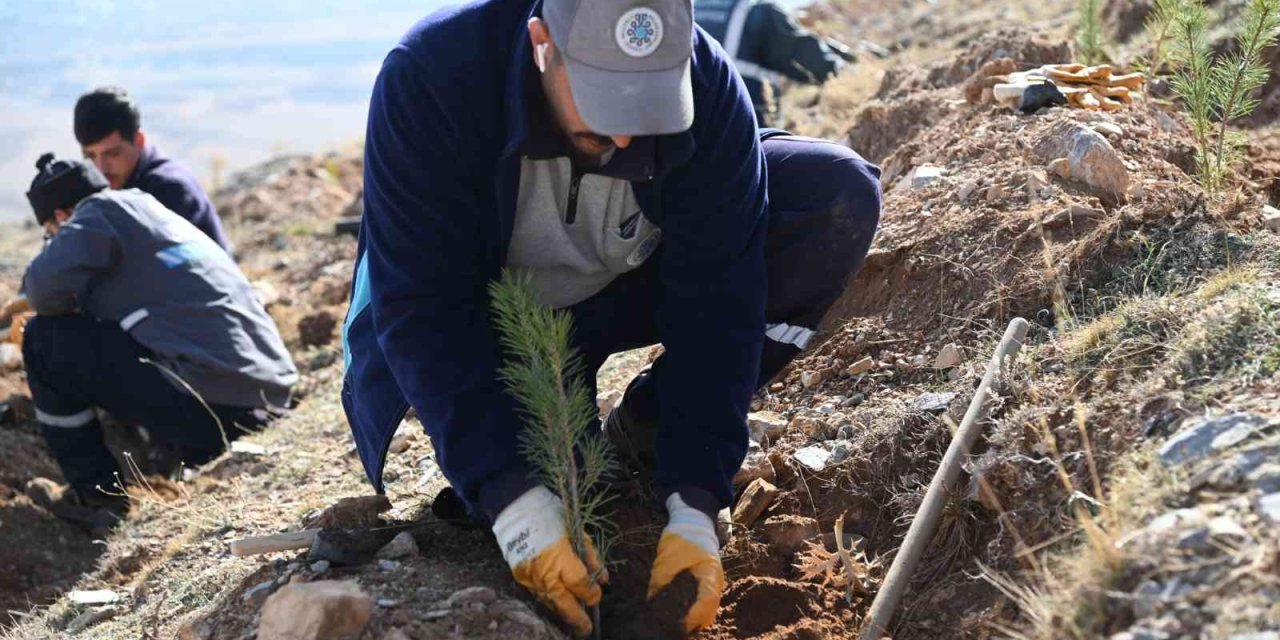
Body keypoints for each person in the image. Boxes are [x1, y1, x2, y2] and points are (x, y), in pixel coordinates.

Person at [341, 0, 881, 635]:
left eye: (647, 103)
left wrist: (696, 505)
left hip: (621, 283)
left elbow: (721, 300)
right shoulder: (434, 77)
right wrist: (510, 500)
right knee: (559, 511)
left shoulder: (708, 84)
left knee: (832, 194)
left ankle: (648, 431)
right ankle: (541, 444)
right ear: (543, 43)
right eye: (604, 100)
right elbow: (424, 310)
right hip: (496, 328)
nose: (625, 136)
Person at [21, 153, 297, 528]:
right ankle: (171, 454)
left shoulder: (95, 215)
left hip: (216, 403)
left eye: (52, 233)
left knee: (44, 340)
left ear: (60, 218)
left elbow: (40, 290)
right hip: (268, 394)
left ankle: (98, 497)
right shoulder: (148, 208)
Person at [74, 87, 232, 251]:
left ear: (139, 141)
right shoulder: (109, 184)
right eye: (90, 156)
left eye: (113, 154)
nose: (101, 168)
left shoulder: (170, 189)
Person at [696, 0, 849, 126]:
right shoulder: (758, 12)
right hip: (741, 134)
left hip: (689, 132)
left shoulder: (693, 11)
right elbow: (813, 62)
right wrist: (851, 69)